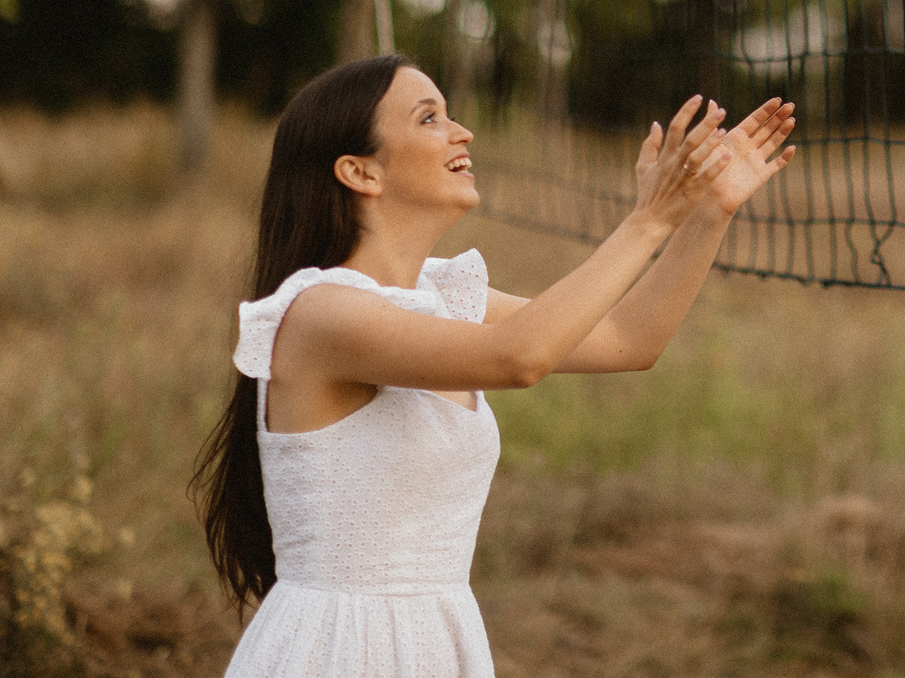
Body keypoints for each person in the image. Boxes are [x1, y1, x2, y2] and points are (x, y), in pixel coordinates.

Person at [191, 54, 795, 677]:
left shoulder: (444, 296)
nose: (462, 133)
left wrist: (709, 212)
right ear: (359, 172)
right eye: (429, 119)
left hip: (436, 638)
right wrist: (646, 222)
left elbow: (628, 340)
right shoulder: (322, 313)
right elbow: (521, 358)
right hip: (340, 648)